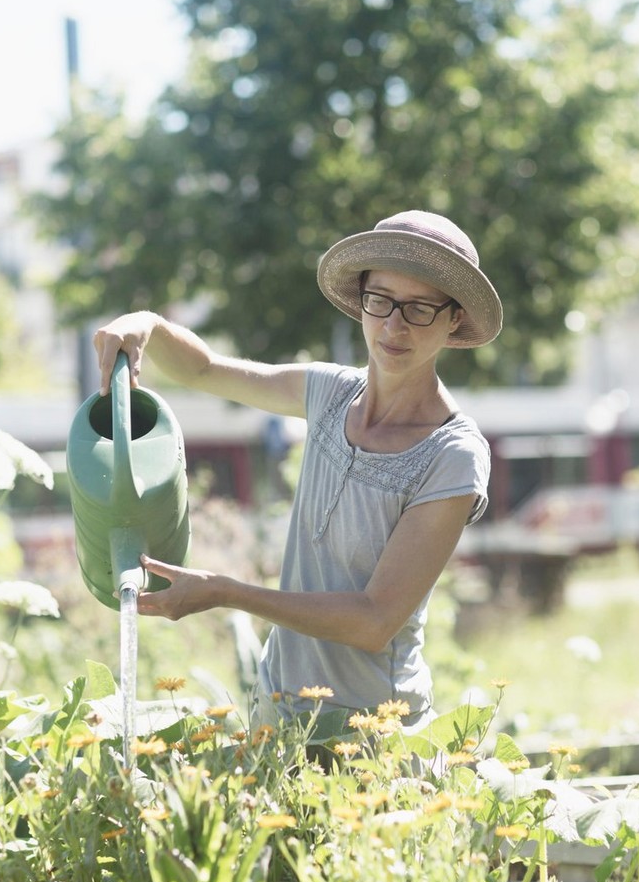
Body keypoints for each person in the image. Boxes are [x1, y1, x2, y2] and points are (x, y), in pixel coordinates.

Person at [92, 210, 501, 731]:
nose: (393, 325)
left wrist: (224, 590)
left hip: (374, 735)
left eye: (419, 309)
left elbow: (374, 621)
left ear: (455, 319)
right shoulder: (328, 393)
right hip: (279, 711)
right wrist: (146, 323)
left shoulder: (453, 455)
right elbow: (203, 369)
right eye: (381, 301)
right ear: (362, 300)